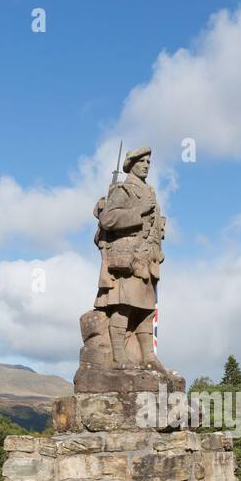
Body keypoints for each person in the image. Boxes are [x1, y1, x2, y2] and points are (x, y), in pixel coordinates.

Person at [93, 145, 167, 370]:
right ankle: (118, 357)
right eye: (142, 162)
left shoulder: (149, 192)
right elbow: (108, 220)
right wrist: (139, 212)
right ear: (131, 165)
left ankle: (148, 357)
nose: (146, 166)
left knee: (145, 309)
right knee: (123, 306)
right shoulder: (123, 190)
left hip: (147, 259)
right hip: (128, 259)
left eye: (148, 163)